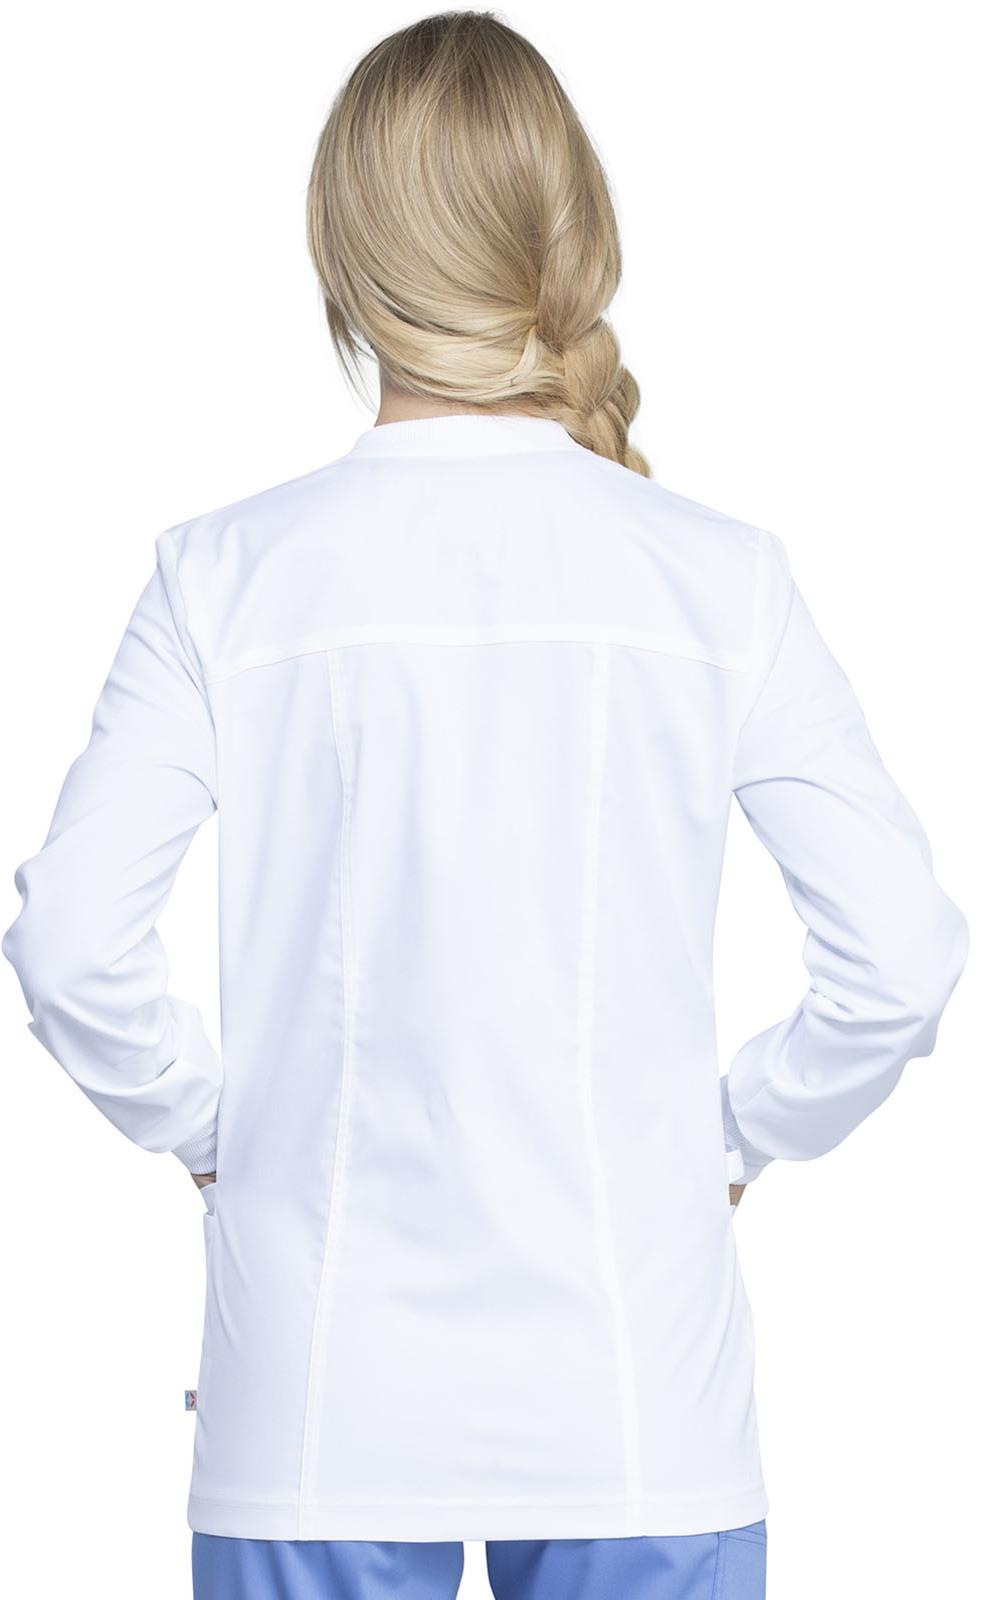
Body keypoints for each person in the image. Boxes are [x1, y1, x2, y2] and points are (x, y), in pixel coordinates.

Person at [2, 12, 968, 1600]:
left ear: (340, 257)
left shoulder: (222, 576)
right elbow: (902, 955)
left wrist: (217, 1134)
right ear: (574, 240)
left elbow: (71, 945)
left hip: (313, 1408)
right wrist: (734, 1137)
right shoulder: (718, 578)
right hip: (638, 1402)